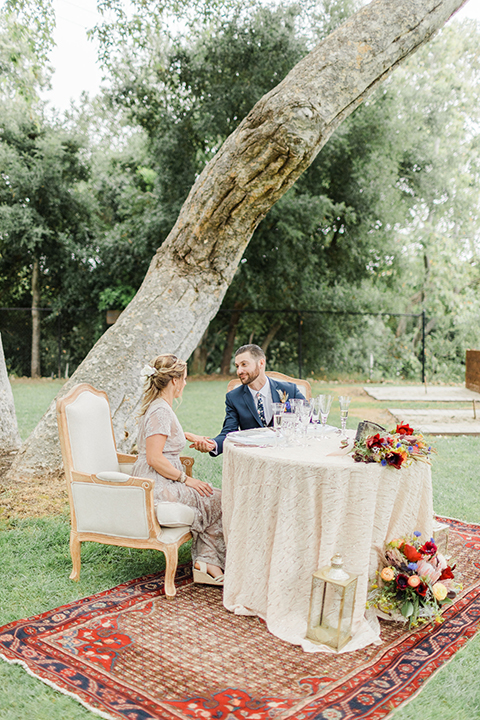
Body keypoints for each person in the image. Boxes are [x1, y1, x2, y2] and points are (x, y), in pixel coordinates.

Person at [132, 353, 225, 585]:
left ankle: (206, 561)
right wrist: (187, 479)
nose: (185, 383)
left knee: (215, 496)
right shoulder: (161, 410)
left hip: (159, 477)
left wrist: (186, 434)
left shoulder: (160, 407)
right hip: (157, 483)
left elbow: (160, 435)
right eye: (184, 378)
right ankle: (207, 560)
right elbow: (154, 457)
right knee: (218, 499)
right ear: (174, 381)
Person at [191, 344, 305, 456]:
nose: (239, 371)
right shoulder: (234, 398)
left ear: (261, 363)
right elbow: (229, 432)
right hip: (253, 457)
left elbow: (311, 420)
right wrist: (213, 444)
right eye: (237, 366)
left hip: (287, 455)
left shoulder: (290, 390)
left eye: (244, 364)